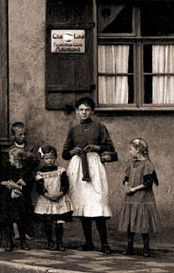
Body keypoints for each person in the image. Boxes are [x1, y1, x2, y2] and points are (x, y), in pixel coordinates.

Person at [62, 96, 115, 254]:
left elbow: (109, 146)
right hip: (78, 168)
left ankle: (104, 243)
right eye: (81, 110)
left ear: (92, 111)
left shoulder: (99, 127)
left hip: (94, 167)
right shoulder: (73, 129)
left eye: (87, 110)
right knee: (83, 207)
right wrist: (73, 152)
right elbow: (65, 153)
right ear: (77, 112)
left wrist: (97, 148)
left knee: (97, 204)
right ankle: (88, 242)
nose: (84, 113)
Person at [120, 137, 158, 257]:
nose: (129, 151)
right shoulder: (131, 164)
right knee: (130, 222)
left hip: (143, 198)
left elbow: (148, 183)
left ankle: (146, 248)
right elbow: (126, 178)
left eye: (131, 149)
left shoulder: (147, 165)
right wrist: (127, 186)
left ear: (138, 150)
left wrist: (134, 189)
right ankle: (129, 246)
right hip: (131, 198)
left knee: (144, 222)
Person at [0, 138, 31, 251]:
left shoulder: (26, 169)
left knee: (21, 219)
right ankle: (8, 242)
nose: (13, 161)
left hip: (21, 198)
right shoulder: (7, 167)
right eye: (12, 158)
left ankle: (23, 241)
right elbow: (0, 180)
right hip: (7, 198)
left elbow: (28, 185)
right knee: (7, 219)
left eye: (15, 159)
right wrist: (7, 183)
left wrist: (17, 186)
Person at [32, 145, 72, 251]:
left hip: (59, 198)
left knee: (59, 223)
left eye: (52, 158)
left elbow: (65, 184)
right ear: (43, 159)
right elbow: (40, 187)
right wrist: (47, 195)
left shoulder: (60, 171)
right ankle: (50, 242)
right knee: (48, 223)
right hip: (46, 200)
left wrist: (60, 194)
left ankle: (60, 242)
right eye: (47, 158)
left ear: (55, 158)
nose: (50, 161)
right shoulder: (40, 173)